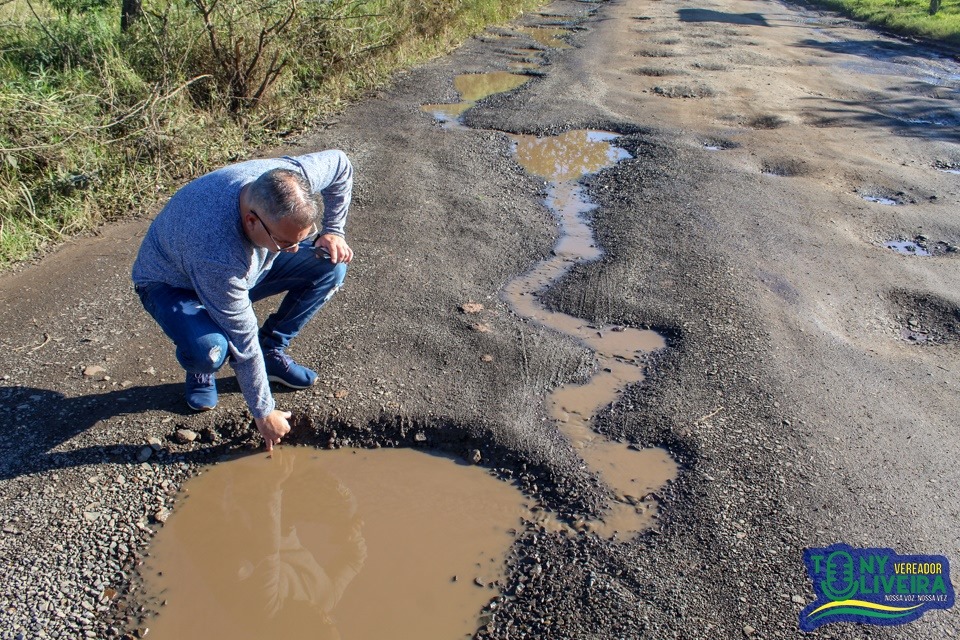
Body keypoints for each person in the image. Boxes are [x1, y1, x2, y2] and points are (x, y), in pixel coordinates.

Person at [132, 150, 354, 450]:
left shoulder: (289, 179)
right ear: (252, 221)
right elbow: (242, 336)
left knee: (331, 265)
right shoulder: (216, 251)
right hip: (172, 283)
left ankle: (272, 350)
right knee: (211, 349)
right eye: (285, 242)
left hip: (242, 269)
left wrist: (333, 231)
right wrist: (264, 413)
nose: (292, 250)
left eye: (301, 239)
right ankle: (200, 368)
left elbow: (340, 164)